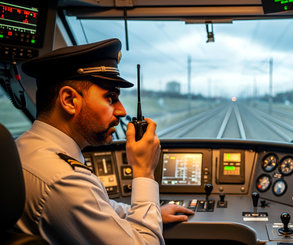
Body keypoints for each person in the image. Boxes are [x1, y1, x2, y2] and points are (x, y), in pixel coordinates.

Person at [15, 38, 194, 244]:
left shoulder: (26, 146)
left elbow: (98, 207)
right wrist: (144, 170)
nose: (122, 111)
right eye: (110, 98)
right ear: (69, 101)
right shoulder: (63, 180)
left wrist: (152, 212)